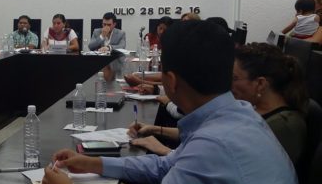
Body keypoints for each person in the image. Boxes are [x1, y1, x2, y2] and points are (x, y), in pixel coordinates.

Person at [42, 20, 301, 184]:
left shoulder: (216, 145)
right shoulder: (240, 115)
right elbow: (165, 165)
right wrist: (92, 163)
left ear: (171, 81)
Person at [130, 43, 308, 165]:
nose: (228, 84)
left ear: (260, 84)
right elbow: (207, 137)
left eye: (234, 78)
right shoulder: (255, 111)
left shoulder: (281, 127)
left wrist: (163, 150)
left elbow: (216, 164)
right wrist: (155, 129)